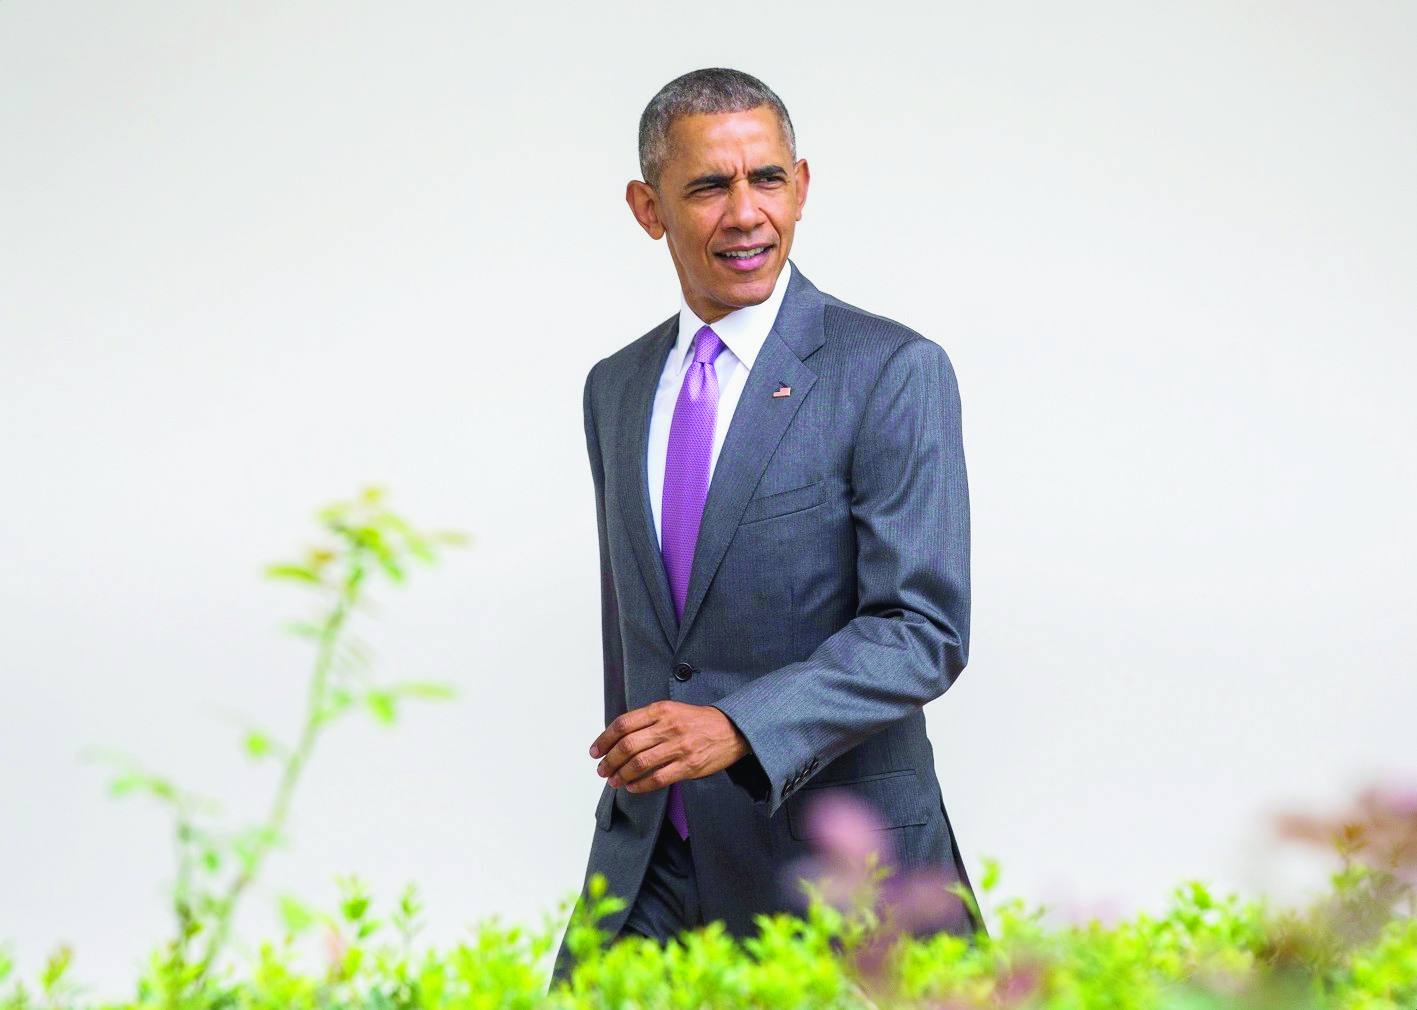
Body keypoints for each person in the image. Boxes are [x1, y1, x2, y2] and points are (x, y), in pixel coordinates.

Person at [560, 67, 977, 967]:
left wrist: (738, 726)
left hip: (839, 862)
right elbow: (638, 632)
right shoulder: (616, 389)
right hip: (651, 863)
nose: (745, 213)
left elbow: (922, 628)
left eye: (768, 179)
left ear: (802, 186)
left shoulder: (890, 369)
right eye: (709, 186)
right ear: (647, 207)